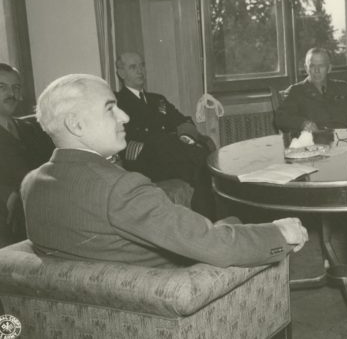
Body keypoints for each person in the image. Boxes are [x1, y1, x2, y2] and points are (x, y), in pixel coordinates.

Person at [21, 74, 308, 268]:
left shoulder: (32, 184)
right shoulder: (120, 189)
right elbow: (214, 246)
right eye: (111, 109)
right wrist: (279, 234)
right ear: (76, 125)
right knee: (237, 224)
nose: (125, 116)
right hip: (175, 294)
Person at [115, 52, 216, 219]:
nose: (140, 71)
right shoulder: (118, 102)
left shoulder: (157, 100)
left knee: (198, 171)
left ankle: (208, 222)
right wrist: (175, 141)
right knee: (195, 155)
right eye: (133, 67)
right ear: (121, 73)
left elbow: (184, 121)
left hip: (170, 158)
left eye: (142, 65)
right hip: (143, 161)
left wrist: (184, 136)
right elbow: (131, 139)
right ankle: (213, 221)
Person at [0, 63, 53, 246]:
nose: (11, 94)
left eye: (16, 87)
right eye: (2, 87)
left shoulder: (31, 129)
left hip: (39, 212)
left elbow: (50, 166)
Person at [275, 48, 347, 133]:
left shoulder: (342, 88)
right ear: (306, 68)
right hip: (314, 145)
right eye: (312, 66)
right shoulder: (296, 91)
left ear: (329, 68)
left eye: (321, 66)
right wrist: (303, 123)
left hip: (344, 142)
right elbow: (281, 118)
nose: (316, 70)